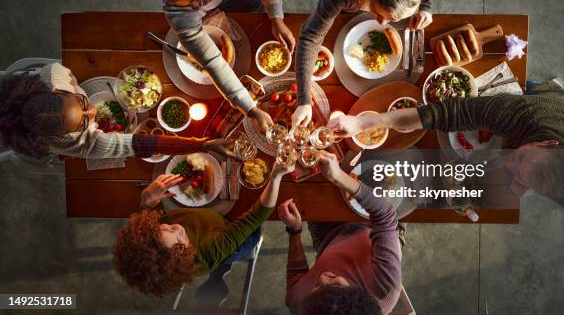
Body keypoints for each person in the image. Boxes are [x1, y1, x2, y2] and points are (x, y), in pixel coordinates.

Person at [328, 83, 564, 220]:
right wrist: (364, 122)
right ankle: (536, 86)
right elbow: (447, 112)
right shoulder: (529, 112)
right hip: (560, 102)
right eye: (522, 156)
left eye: (523, 175)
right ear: (548, 143)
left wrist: (521, 181)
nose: (509, 160)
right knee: (533, 90)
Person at [135, 0, 296, 132]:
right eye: (186, 5)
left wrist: (276, 19)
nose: (197, 8)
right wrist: (251, 109)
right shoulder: (177, 11)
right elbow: (212, 62)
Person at [292, 0, 446, 126]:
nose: (381, 23)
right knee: (328, 6)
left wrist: (425, 8)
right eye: (377, 12)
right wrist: (304, 101)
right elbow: (310, 37)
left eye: (393, 20)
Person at [114, 162, 293, 297]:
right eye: (179, 241)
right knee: (252, 233)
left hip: (210, 218)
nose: (177, 227)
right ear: (182, 257)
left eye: (165, 227)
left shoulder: (155, 237)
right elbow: (256, 216)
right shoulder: (208, 252)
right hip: (238, 237)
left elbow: (153, 217)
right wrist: (276, 176)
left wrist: (146, 201)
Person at [0, 63, 234, 159]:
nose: (92, 112)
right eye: (83, 123)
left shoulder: (54, 74)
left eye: (82, 104)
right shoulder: (75, 143)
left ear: (57, 91)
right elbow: (140, 145)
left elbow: (69, 76)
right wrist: (201, 144)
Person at [279, 151, 402, 314]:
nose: (322, 276)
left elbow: (296, 278)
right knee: (391, 163)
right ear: (360, 294)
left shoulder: (302, 305)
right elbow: (385, 215)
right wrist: (338, 177)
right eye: (335, 282)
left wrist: (294, 230)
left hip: (328, 237)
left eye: (316, 286)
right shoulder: (385, 289)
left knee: (309, 176)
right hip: (375, 228)